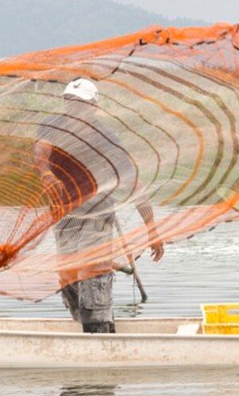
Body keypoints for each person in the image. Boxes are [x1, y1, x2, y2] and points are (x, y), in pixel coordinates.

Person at [35, 78, 164, 333]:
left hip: (98, 214)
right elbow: (42, 150)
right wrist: (45, 174)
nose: (73, 110)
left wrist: (152, 229)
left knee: (93, 273)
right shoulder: (53, 126)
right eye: (69, 103)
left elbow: (134, 182)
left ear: (93, 108)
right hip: (64, 215)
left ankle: (100, 333)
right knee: (69, 276)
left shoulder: (105, 137)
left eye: (79, 105)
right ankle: (83, 330)